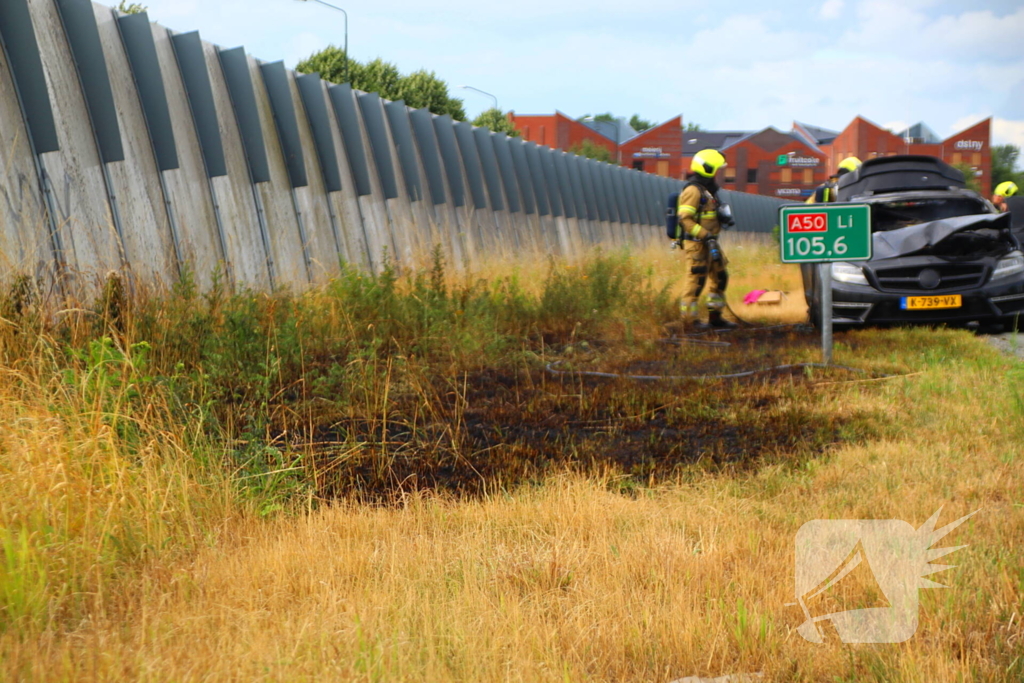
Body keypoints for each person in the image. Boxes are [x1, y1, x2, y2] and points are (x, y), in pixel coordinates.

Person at [674, 149, 734, 329]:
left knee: (720, 276)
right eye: (716, 169)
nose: (718, 173)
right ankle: (689, 322)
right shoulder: (693, 190)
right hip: (697, 244)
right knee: (696, 280)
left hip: (711, 242)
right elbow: (685, 219)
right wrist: (705, 235)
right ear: (708, 169)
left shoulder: (708, 190)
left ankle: (715, 317)